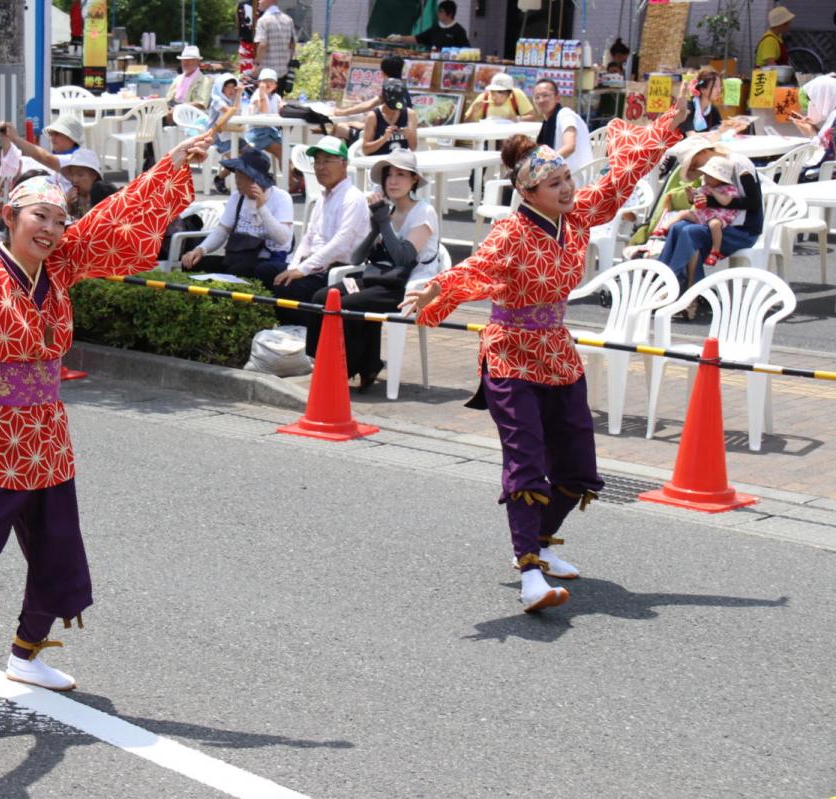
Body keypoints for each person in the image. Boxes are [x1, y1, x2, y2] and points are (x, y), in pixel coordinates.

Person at [0, 134, 212, 736]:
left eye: (60, 219)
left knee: (57, 551)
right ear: (9, 217)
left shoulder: (61, 268)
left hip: (49, 437)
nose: (53, 229)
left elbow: (118, 216)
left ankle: (25, 655)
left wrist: (175, 164)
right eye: (40, 216)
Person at [404, 89, 692, 613]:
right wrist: (436, 287)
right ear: (530, 191)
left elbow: (620, 180)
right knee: (527, 462)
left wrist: (666, 127)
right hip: (511, 355)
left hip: (557, 352)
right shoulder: (510, 232)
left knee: (580, 468)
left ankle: (537, 544)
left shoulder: (576, 216)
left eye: (568, 178)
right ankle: (530, 571)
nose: (569, 187)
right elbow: (477, 270)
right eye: (556, 182)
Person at [306, 148, 440, 392]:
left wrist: (383, 223)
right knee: (322, 297)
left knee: (351, 304)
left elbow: (403, 258)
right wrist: (375, 226)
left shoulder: (424, 212)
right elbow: (357, 257)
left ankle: (351, 367)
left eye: (401, 174)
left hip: (410, 288)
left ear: (414, 181)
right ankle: (322, 360)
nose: (393, 181)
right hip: (379, 279)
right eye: (389, 175)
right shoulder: (387, 211)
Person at [269, 136, 371, 326]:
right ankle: (286, 335)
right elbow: (309, 236)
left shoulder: (353, 198)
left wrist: (303, 269)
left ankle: (306, 339)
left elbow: (342, 243)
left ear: (344, 164)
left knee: (289, 287)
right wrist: (294, 266)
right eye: (317, 161)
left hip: (339, 269)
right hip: (317, 265)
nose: (320, 167)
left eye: (327, 161)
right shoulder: (323, 197)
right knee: (267, 272)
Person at [658, 138, 763, 298]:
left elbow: (753, 202)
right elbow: (706, 203)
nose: (697, 168)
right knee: (678, 227)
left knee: (690, 232)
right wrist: (695, 199)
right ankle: (669, 279)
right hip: (717, 224)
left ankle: (675, 283)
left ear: (704, 151)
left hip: (743, 229)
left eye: (695, 163)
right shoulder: (710, 171)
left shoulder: (739, 164)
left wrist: (710, 200)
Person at [180, 147, 293, 280]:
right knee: (192, 265)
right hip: (238, 256)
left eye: (241, 175)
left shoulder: (281, 197)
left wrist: (262, 208)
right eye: (236, 174)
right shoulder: (236, 197)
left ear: (255, 179)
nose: (237, 180)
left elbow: (283, 238)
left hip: (267, 259)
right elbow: (222, 231)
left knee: (238, 270)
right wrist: (200, 249)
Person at [652, 155, 741, 270]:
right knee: (683, 214)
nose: (706, 178)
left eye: (710, 176)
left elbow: (726, 201)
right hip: (703, 214)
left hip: (719, 215)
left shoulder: (729, 189)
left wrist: (713, 192)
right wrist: (691, 196)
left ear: (719, 179)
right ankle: (664, 228)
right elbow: (695, 201)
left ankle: (715, 250)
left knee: (714, 225)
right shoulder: (706, 186)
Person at [532, 79, 592, 173]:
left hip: (575, 177)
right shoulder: (547, 121)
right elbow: (541, 150)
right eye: (537, 97)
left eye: (545, 95)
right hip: (559, 175)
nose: (541, 100)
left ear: (557, 98)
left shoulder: (565, 115)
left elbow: (570, 147)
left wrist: (545, 164)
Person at [790, 73, 836, 181]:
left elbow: (825, 154)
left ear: (825, 96)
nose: (811, 104)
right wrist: (813, 129)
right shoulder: (833, 115)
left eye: (813, 100)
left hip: (826, 177)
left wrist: (811, 133)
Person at [207, 73, 246, 194]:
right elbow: (231, 112)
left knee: (252, 155)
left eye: (233, 87)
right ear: (221, 87)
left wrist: (238, 95)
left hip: (233, 135)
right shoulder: (216, 101)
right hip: (218, 137)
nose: (231, 90)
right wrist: (239, 95)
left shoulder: (233, 99)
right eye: (228, 87)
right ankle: (243, 189)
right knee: (240, 163)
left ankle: (220, 178)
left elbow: (238, 113)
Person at [361, 78, 417, 156]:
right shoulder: (373, 116)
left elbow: (413, 147)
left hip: (400, 162)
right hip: (380, 161)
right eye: (391, 106)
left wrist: (409, 134)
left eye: (397, 107)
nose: (394, 111)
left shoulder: (410, 114)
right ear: (383, 99)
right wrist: (384, 139)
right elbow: (365, 150)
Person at [388, 0, 470, 50]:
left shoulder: (459, 30)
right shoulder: (435, 29)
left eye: (441, 11)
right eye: (438, 11)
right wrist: (400, 38)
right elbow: (418, 39)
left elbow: (466, 49)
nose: (438, 14)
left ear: (450, 14)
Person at [247, 68, 284, 166]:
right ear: (259, 83)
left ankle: (292, 177)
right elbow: (264, 112)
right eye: (264, 81)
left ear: (275, 85)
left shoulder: (276, 97)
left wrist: (283, 107)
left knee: (286, 152)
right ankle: (290, 180)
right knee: (281, 152)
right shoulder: (257, 96)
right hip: (257, 132)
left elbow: (281, 111)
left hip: (271, 131)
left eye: (271, 81)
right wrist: (263, 93)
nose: (268, 84)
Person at [465, 73, 537, 122]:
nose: (494, 97)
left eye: (501, 92)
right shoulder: (483, 98)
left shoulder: (517, 94)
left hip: (512, 138)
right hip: (488, 139)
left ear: (509, 93)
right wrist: (472, 112)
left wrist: (517, 119)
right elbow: (466, 123)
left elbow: (532, 117)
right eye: (492, 92)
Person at [253, 0, 296, 80]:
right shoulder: (288, 20)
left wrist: (256, 65)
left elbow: (263, 45)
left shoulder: (263, 21)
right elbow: (292, 45)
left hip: (267, 74)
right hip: (283, 72)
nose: (258, 2)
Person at [678, 67, 724, 136]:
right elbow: (691, 135)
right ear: (702, 89)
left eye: (720, 86)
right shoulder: (688, 107)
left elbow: (720, 131)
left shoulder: (713, 109)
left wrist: (733, 128)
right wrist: (713, 133)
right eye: (715, 86)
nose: (719, 90)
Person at [168, 45, 212, 111]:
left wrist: (178, 108)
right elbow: (168, 98)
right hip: (173, 109)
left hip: (190, 115)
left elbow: (200, 104)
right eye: (184, 60)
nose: (185, 62)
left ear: (197, 62)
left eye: (189, 60)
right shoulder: (178, 78)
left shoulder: (205, 80)